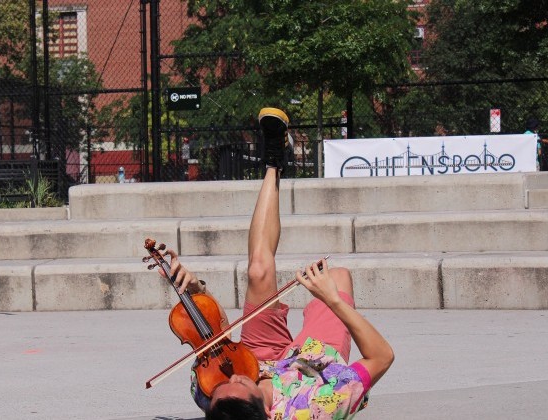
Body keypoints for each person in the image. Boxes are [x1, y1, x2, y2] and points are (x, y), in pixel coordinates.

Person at [161, 108, 394, 419]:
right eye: (240, 384)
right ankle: (330, 299)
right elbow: (382, 356)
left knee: (258, 269)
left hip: (259, 355)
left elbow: (220, 342)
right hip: (310, 366)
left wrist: (194, 289)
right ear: (267, 412)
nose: (230, 378)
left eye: (221, 388)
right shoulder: (317, 406)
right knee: (337, 277)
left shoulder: (210, 393)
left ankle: (274, 161)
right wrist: (332, 300)